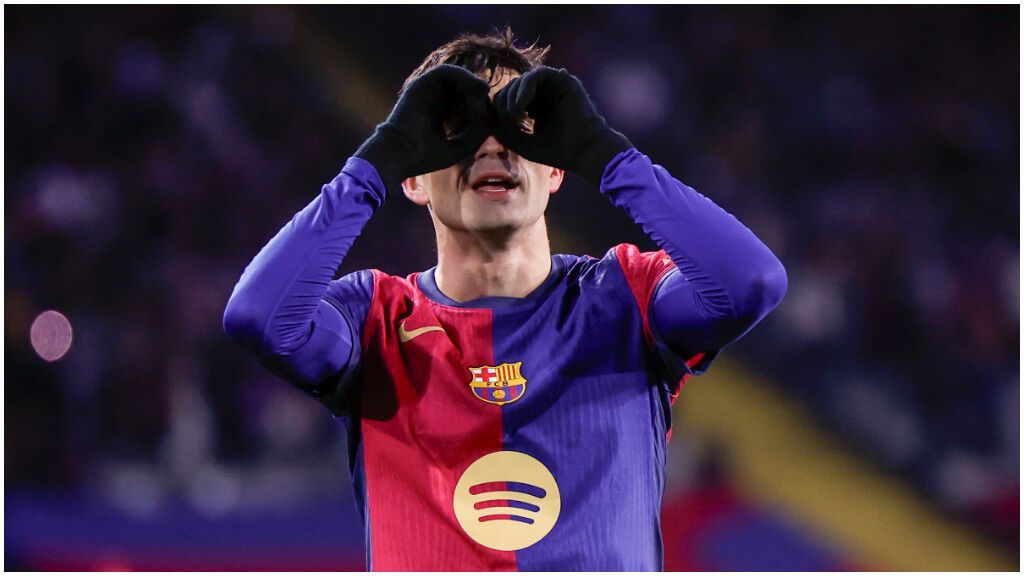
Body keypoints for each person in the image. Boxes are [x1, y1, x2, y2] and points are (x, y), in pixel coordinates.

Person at [224, 28, 787, 571]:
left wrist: (608, 156)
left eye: (521, 127)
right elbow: (260, 318)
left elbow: (750, 283)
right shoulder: (375, 318)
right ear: (412, 177)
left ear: (556, 165)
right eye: (455, 129)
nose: (493, 145)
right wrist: (376, 162)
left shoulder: (626, 298)